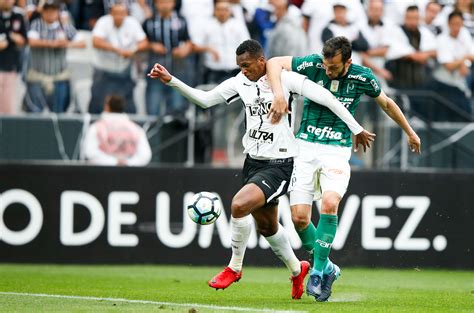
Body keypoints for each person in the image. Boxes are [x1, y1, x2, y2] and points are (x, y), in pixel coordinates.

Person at [148, 39, 374, 299]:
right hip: (253, 162)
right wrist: (171, 80)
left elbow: (326, 97)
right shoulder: (239, 83)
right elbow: (204, 100)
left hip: (279, 164)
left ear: (261, 61)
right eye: (239, 66)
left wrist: (356, 127)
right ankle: (297, 270)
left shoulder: (285, 80)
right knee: (267, 227)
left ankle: (234, 268)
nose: (243, 70)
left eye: (246, 65)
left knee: (238, 205)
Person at [266, 36, 421, 302]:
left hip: (336, 150)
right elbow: (273, 63)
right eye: (325, 66)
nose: (327, 71)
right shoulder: (313, 64)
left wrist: (409, 131)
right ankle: (328, 268)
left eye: (334, 67)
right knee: (300, 218)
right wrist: (280, 96)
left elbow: (386, 103)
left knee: (329, 203)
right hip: (304, 148)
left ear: (348, 61)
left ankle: (316, 272)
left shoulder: (363, 77)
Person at [25, 0, 85, 113]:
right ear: (42, 12)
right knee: (35, 112)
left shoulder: (65, 27)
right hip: (38, 76)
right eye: (47, 11)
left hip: (59, 77)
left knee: (58, 113)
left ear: (58, 12)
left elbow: (82, 43)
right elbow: (31, 41)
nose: (50, 13)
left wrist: (66, 43)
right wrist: (52, 43)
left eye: (53, 10)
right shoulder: (36, 24)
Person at [89, 1, 148, 114]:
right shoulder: (103, 21)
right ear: (111, 13)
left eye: (122, 13)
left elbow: (144, 42)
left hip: (123, 72)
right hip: (104, 71)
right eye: (116, 13)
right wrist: (116, 50)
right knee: (98, 104)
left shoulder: (132, 23)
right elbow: (96, 41)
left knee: (128, 106)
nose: (119, 16)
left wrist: (132, 51)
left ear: (126, 13)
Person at [83, 94, 152, 166]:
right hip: (129, 173)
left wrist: (114, 162)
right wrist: (128, 163)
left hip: (102, 172)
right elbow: (144, 155)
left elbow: (90, 152)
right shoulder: (136, 129)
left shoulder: (96, 127)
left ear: (107, 106)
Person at [0, 0, 27, 115]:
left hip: (11, 67)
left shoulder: (18, 15)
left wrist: (10, 36)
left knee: (9, 110)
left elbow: (23, 40)